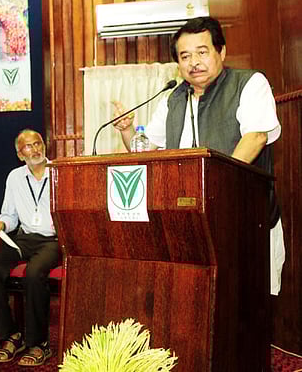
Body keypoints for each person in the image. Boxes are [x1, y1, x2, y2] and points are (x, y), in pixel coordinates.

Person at [113, 17, 284, 295]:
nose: (194, 61)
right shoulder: (173, 98)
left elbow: (256, 137)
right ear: (178, 64)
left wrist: (213, 190)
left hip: (244, 220)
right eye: (185, 55)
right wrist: (128, 129)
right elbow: (144, 150)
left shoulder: (250, 83)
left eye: (202, 52)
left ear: (222, 52)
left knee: (244, 305)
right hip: (189, 226)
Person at [0, 130, 58, 367]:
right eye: (28, 147)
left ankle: (39, 343)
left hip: (53, 240)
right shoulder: (14, 177)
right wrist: (2, 224)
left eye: (38, 144)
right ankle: (11, 335)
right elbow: (9, 215)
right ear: (19, 153)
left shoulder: (58, 172)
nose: (35, 150)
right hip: (23, 239)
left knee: (34, 273)